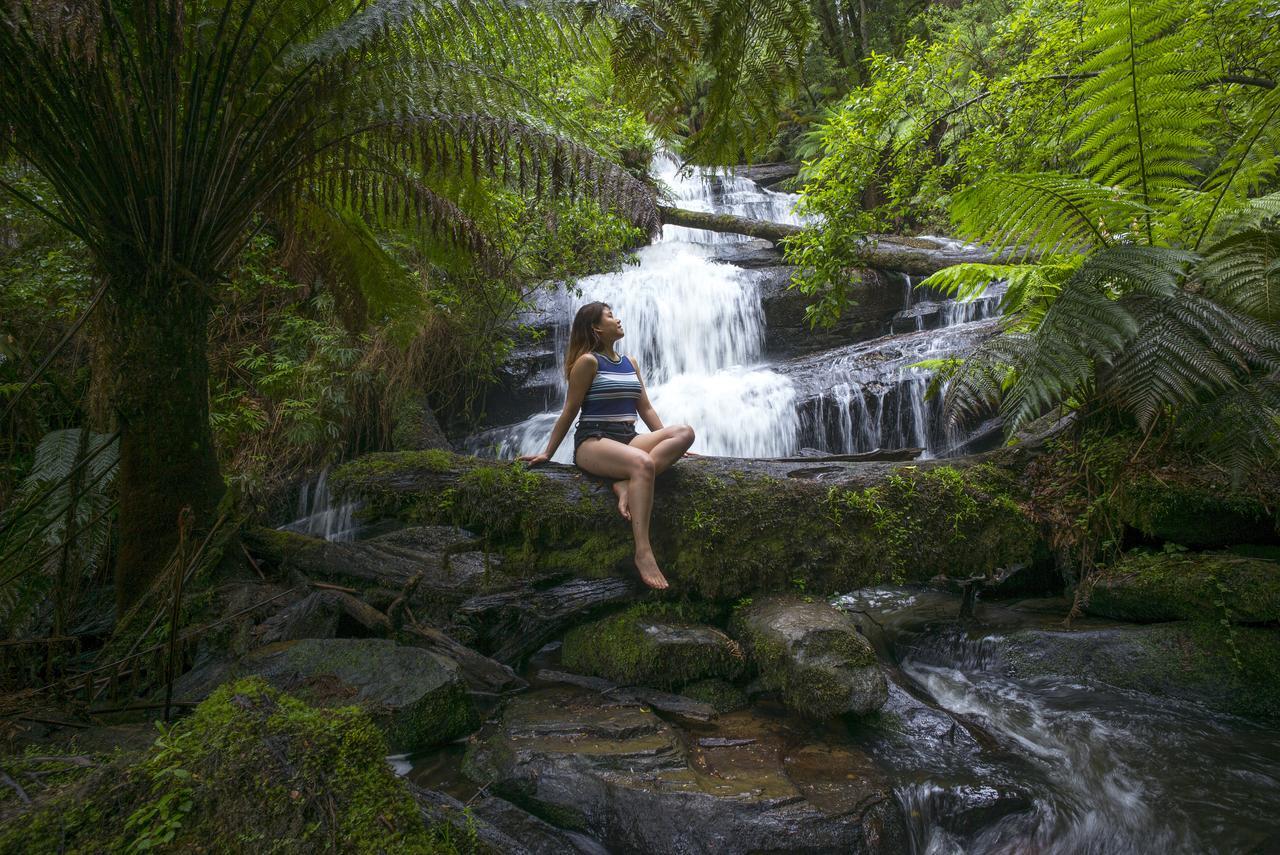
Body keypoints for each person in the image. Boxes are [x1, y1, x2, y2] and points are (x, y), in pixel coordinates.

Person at [518, 301, 695, 590]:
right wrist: (547, 452)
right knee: (643, 463)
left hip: (629, 436)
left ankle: (625, 483)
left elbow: (646, 408)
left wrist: (666, 440)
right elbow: (570, 410)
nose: (618, 320)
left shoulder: (630, 363)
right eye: (611, 316)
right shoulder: (588, 362)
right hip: (594, 440)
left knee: (684, 433)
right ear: (597, 328)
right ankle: (643, 551)